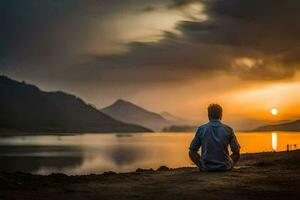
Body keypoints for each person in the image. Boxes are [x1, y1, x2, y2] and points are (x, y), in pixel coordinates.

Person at [189, 104, 240, 171]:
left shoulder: (201, 129)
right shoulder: (228, 129)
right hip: (224, 167)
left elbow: (192, 150)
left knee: (191, 152)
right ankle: (228, 166)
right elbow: (236, 151)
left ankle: (202, 167)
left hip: (206, 167)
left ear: (208, 115)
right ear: (221, 115)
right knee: (237, 154)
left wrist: (201, 164)